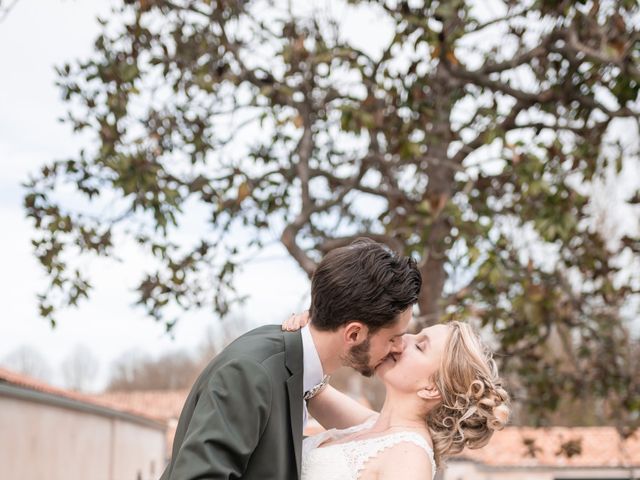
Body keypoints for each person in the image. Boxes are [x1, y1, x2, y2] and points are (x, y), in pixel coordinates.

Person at [160, 238, 422, 479]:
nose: (398, 347)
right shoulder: (251, 373)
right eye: (393, 337)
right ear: (354, 333)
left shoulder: (300, 373)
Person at [282, 315, 510, 480]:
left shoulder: (410, 459)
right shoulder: (372, 426)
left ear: (431, 389)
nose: (401, 341)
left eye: (420, 346)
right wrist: (316, 328)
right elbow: (312, 385)